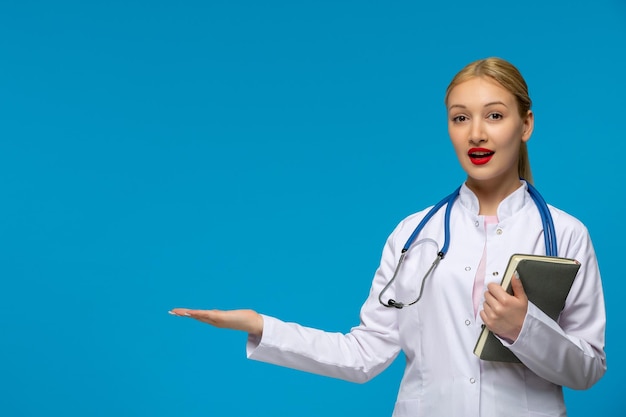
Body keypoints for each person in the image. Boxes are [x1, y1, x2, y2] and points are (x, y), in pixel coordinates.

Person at [169, 57, 606, 417]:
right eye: (460, 118)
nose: (476, 133)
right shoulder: (413, 234)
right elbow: (363, 355)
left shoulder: (565, 235)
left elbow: (588, 369)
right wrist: (262, 326)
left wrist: (524, 329)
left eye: (494, 115)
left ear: (525, 124)